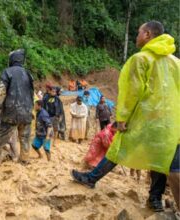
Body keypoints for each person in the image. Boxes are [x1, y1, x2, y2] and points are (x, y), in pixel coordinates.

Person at [71, 21, 180, 212]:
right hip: (170, 123)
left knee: (118, 149)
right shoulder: (176, 62)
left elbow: (131, 92)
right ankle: (154, 200)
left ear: (147, 34)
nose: (136, 36)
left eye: (138, 32)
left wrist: (122, 118)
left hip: (144, 120)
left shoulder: (141, 59)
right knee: (161, 159)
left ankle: (91, 178)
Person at [0, 49, 34, 165]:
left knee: (2, 135)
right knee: (25, 137)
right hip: (27, 110)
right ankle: (24, 159)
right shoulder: (28, 74)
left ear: (12, 59)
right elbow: (32, 93)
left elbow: (1, 92)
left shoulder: (7, 72)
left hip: (11, 111)